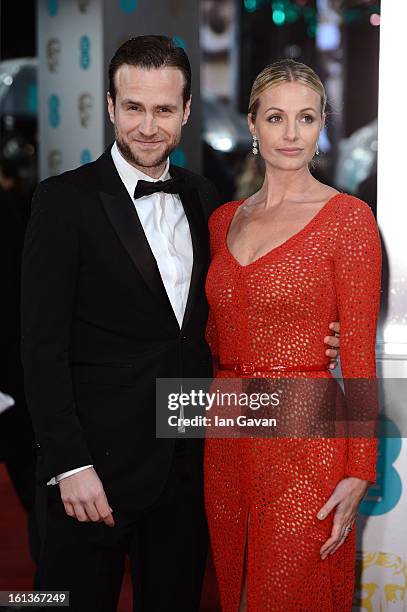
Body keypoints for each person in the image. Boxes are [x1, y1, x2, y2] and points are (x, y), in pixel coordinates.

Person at [21, 39, 340, 611]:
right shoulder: (62, 201)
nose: (148, 125)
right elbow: (42, 347)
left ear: (187, 110)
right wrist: (69, 463)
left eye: (164, 109)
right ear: (113, 107)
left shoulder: (204, 199)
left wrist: (322, 334)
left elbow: (223, 319)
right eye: (135, 108)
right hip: (92, 475)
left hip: (189, 466)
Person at [204, 59, 381, 611]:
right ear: (252, 125)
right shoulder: (223, 220)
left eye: (306, 118)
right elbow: (216, 333)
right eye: (276, 117)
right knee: (234, 591)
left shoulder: (348, 219)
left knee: (289, 595)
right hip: (227, 435)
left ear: (322, 124)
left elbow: (357, 358)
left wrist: (359, 471)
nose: (290, 133)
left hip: (307, 440)